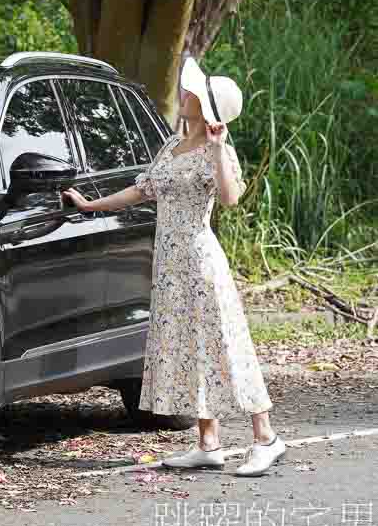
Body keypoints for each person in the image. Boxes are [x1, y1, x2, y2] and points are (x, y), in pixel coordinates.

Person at [62, 57, 286, 476]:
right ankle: (208, 442)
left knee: (225, 347)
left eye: (192, 94)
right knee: (187, 347)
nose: (184, 96)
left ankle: (266, 437)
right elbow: (141, 190)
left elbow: (231, 197)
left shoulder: (215, 151)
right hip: (169, 265)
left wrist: (218, 150)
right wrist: (90, 205)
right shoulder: (171, 146)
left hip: (200, 263)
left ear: (205, 106)